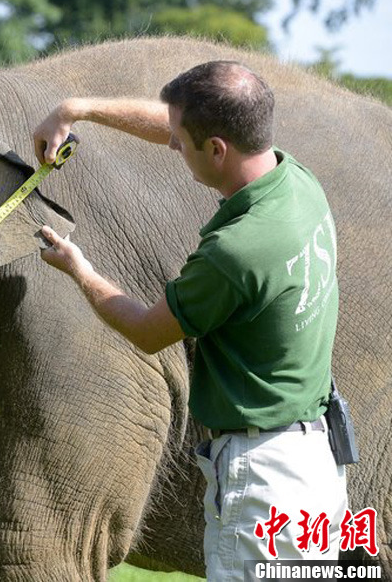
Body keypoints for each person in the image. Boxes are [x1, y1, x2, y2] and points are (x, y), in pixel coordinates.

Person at [32, 61, 348, 581]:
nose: (173, 147)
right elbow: (184, 128)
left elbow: (149, 331)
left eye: (182, 140)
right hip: (314, 465)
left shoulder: (235, 252)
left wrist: (79, 268)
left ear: (218, 148)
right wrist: (77, 109)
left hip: (262, 483)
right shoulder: (297, 183)